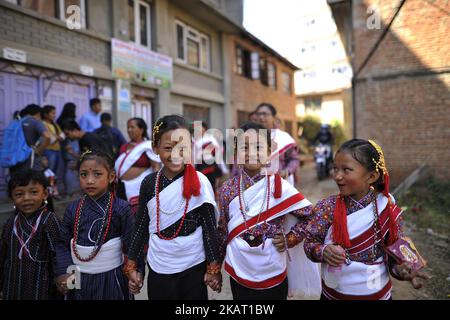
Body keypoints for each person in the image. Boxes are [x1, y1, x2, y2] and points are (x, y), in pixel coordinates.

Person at [304, 139, 429, 300]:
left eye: (346, 170)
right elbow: (309, 242)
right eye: (335, 168)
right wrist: (323, 251)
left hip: (377, 293)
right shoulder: (327, 207)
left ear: (372, 176)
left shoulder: (387, 210)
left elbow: (395, 255)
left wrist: (403, 270)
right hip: (334, 294)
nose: (337, 176)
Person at [217, 122, 319, 300]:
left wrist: (290, 238)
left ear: (269, 152)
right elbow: (223, 229)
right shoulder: (227, 189)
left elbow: (311, 217)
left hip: (272, 267)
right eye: (244, 147)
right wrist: (214, 267)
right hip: (239, 266)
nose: (251, 152)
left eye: (258, 147)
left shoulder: (281, 187)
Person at [124, 115, 222, 300]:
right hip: (159, 263)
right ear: (155, 149)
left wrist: (213, 268)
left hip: (194, 264)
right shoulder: (149, 183)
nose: (175, 154)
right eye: (168, 148)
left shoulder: (200, 182)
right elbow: (140, 227)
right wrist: (134, 267)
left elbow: (210, 229)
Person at [55, 150, 135, 300]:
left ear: (111, 176)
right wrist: (63, 272)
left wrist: (134, 271)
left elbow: (132, 245)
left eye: (97, 174)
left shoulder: (121, 208)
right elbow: (62, 244)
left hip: (112, 275)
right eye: (83, 174)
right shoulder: (73, 209)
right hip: (78, 274)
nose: (89, 180)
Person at [0, 170, 67, 300]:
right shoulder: (10, 223)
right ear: (11, 198)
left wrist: (64, 278)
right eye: (19, 194)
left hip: (43, 285)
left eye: (34, 192)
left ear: (45, 194)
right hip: (13, 285)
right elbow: (3, 255)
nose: (26, 198)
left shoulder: (49, 221)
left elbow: (60, 252)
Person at [115, 118, 160, 214]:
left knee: (137, 216)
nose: (129, 130)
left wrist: (155, 188)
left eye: (132, 127)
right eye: (128, 127)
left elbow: (156, 167)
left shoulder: (148, 145)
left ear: (141, 129)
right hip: (121, 187)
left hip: (139, 188)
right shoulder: (124, 146)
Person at [256, 103, 300, 186]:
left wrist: (287, 171)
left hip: (280, 184)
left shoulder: (284, 137)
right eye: (259, 114)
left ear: (274, 118)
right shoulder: (250, 136)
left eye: (265, 114)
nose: (261, 117)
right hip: (256, 185)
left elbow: (294, 159)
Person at [9, 104, 51, 175]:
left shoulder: (15, 123)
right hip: (30, 162)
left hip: (14, 161)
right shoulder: (35, 122)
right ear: (38, 114)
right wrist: (39, 150)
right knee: (34, 183)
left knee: (17, 183)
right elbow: (47, 136)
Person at [193, 121, 229, 192]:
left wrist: (223, 168)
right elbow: (194, 157)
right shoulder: (195, 141)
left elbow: (218, 155)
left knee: (212, 187)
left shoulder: (211, 139)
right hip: (200, 168)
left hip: (212, 167)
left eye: (200, 128)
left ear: (205, 129)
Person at [57, 103, 80, 196]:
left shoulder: (59, 120)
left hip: (63, 147)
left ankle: (65, 189)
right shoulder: (70, 121)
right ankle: (72, 190)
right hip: (71, 146)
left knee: (66, 168)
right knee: (71, 167)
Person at [42, 105, 65, 178]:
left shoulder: (54, 124)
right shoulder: (43, 124)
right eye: (52, 113)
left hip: (57, 149)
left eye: (54, 113)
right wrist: (57, 137)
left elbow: (63, 135)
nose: (54, 115)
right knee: (49, 170)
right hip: (49, 150)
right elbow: (50, 139)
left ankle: (53, 186)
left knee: (56, 171)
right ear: (45, 114)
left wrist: (56, 137)